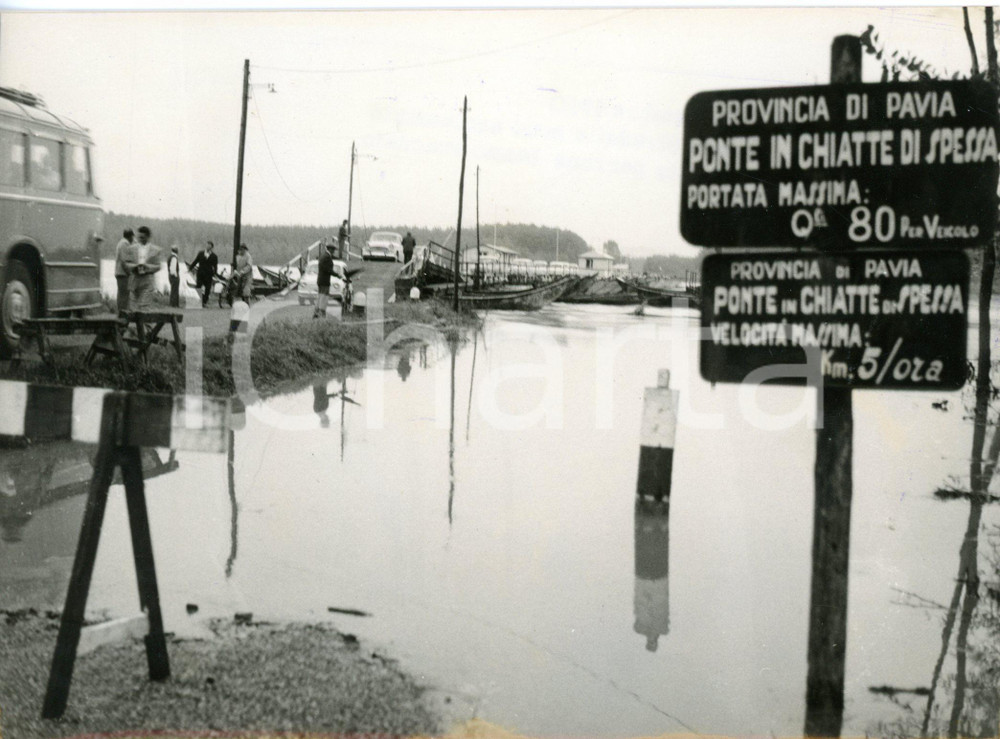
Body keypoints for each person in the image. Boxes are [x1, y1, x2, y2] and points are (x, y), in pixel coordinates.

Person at [130, 226, 162, 311]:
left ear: (148, 237)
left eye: (142, 237)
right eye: (139, 237)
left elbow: (158, 266)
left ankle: (144, 317)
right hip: (134, 281)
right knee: (133, 308)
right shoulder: (131, 248)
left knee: (144, 306)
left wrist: (147, 267)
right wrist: (134, 267)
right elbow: (126, 263)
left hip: (148, 281)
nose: (140, 239)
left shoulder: (156, 250)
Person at [188, 240, 219, 308]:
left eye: (209, 245)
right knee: (198, 287)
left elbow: (215, 266)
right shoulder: (201, 253)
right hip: (200, 273)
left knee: (208, 289)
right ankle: (199, 301)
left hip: (208, 274)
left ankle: (204, 302)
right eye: (207, 245)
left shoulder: (214, 256)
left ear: (212, 247)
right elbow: (195, 261)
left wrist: (215, 273)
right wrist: (190, 268)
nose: (208, 246)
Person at [114, 228, 134, 313]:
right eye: (132, 237)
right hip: (123, 273)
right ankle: (123, 313)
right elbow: (124, 260)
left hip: (120, 272)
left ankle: (121, 313)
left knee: (121, 294)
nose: (133, 239)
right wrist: (129, 272)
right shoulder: (125, 244)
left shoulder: (121, 243)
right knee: (124, 295)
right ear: (130, 236)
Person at [314, 242, 336, 319]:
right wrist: (337, 275)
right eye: (333, 249)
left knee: (320, 297)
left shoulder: (323, 255)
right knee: (324, 298)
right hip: (324, 281)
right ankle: (321, 315)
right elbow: (328, 269)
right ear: (329, 249)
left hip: (321, 280)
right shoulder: (327, 257)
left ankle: (316, 314)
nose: (334, 251)